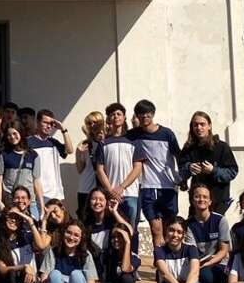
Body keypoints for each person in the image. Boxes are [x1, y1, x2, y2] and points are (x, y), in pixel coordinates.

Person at [128, 99, 182, 247]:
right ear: (136, 117)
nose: (144, 117)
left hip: (168, 187)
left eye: (147, 114)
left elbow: (179, 156)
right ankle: (160, 265)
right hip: (148, 188)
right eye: (140, 114)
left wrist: (182, 179)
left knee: (169, 229)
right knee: (156, 229)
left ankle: (170, 262)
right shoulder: (133, 135)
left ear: (152, 114)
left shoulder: (167, 134)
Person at [178, 111, 239, 216]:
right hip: (197, 202)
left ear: (209, 126)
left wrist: (213, 170)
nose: (199, 128)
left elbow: (232, 172)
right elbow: (179, 171)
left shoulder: (222, 147)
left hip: (218, 201)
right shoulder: (189, 148)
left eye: (202, 124)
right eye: (195, 125)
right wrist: (189, 168)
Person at [185, 183, 231, 283]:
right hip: (197, 263)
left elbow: (223, 250)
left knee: (210, 275)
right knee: (202, 276)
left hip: (218, 262)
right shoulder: (188, 224)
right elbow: (192, 252)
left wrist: (207, 264)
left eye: (205, 197)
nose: (201, 199)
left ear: (210, 201)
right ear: (192, 200)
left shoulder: (220, 220)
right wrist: (199, 265)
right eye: (197, 196)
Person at [95, 103, 142, 231]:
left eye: (118, 114)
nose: (115, 116)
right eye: (112, 114)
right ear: (109, 119)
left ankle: (131, 251)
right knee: (112, 229)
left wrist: (122, 187)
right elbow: (99, 169)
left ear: (124, 117)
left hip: (130, 193)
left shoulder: (134, 141)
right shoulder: (103, 143)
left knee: (131, 229)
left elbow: (138, 167)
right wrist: (111, 190)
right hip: (110, 194)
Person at [0, 124, 44, 218]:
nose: (12, 137)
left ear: (21, 133)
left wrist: (41, 204)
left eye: (14, 133)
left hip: (29, 203)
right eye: (9, 135)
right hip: (10, 202)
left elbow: (36, 180)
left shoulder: (33, 155)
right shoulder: (3, 154)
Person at [28, 109, 73, 206]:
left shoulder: (54, 142)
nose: (49, 126)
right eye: (45, 122)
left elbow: (70, 150)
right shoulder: (29, 142)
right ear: (38, 122)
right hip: (37, 193)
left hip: (55, 193)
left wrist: (63, 129)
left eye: (51, 123)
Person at [75, 111, 106, 217]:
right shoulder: (84, 144)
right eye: (89, 123)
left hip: (105, 188)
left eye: (95, 122)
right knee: (84, 219)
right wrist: (79, 153)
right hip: (86, 187)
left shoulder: (109, 142)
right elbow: (80, 169)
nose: (92, 125)